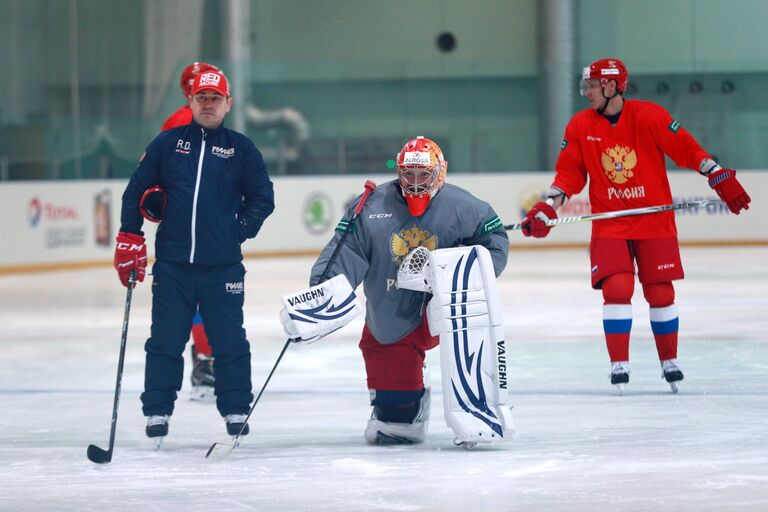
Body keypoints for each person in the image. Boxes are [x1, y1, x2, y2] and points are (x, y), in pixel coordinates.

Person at [521, 58, 751, 393]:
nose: (586, 92)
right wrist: (547, 206)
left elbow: (684, 148)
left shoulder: (649, 115)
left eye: (592, 85)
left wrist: (714, 171)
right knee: (616, 289)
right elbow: (569, 174)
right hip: (610, 224)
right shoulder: (580, 126)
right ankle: (619, 364)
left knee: (660, 292)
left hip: (653, 220)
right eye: (585, 86)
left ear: (612, 86)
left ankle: (669, 360)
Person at [294, 136, 509, 445]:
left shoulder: (465, 207)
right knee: (396, 424)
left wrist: (456, 270)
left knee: (474, 333)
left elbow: (493, 243)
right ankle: (408, 401)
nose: (417, 182)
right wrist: (321, 294)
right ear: (398, 171)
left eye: (424, 174)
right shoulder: (370, 207)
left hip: (447, 305)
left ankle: (476, 406)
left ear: (441, 172)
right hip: (391, 307)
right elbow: (345, 253)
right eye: (409, 173)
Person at [114, 68, 275, 443]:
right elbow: (134, 191)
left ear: (227, 104)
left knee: (230, 342)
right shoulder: (167, 144)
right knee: (165, 342)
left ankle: (235, 408)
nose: (208, 104)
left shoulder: (241, 149)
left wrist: (237, 230)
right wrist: (129, 236)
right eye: (202, 98)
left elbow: (263, 198)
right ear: (191, 101)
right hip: (173, 266)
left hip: (223, 268)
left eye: (215, 99)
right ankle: (157, 411)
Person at [160, 61, 222, 401]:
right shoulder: (188, 122)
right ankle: (205, 363)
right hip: (195, 228)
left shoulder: (177, 120)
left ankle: (203, 360)